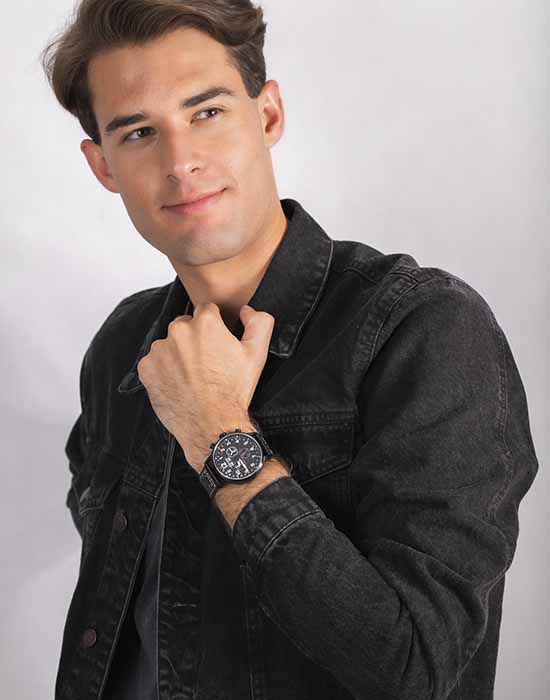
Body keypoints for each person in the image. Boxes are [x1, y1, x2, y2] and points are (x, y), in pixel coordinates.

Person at [40, 2, 539, 699]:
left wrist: (219, 435)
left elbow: (415, 669)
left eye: (206, 112)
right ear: (103, 166)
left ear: (268, 114)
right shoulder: (122, 347)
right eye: (140, 132)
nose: (181, 162)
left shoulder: (421, 328)